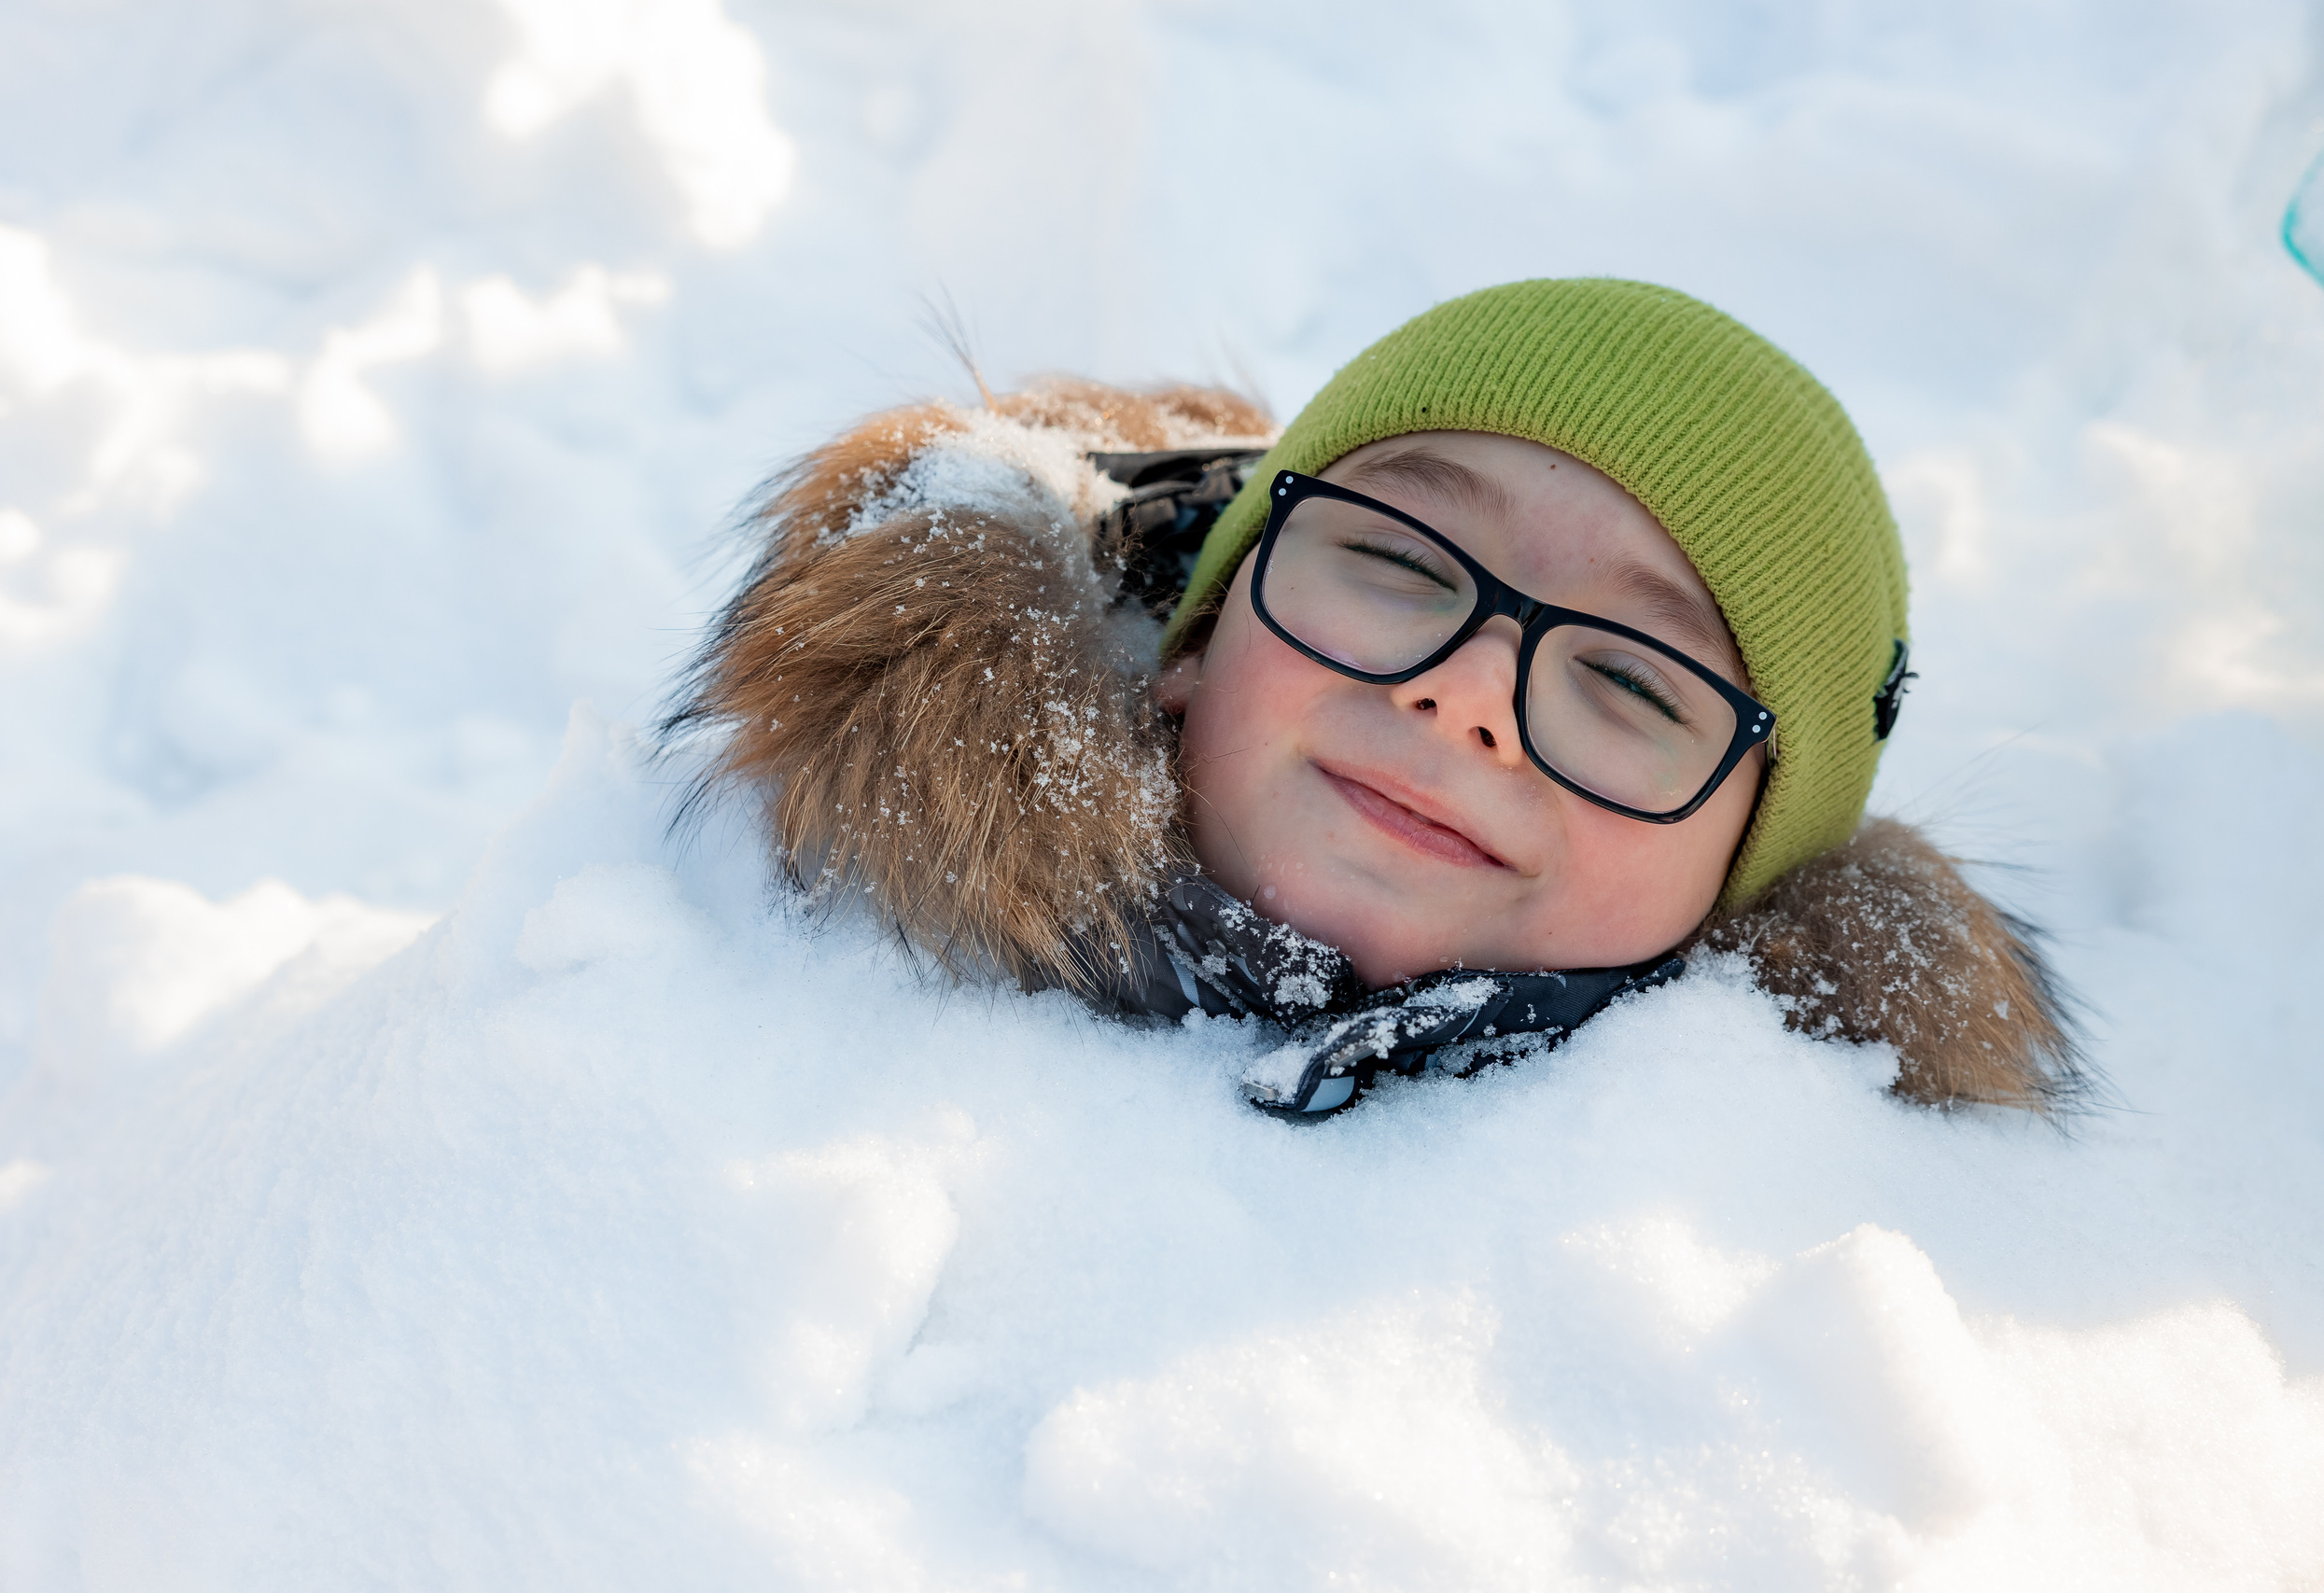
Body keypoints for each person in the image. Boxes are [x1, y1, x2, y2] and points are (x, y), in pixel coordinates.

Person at [665, 280, 2085, 1116]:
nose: (1467, 694)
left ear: (1740, 879)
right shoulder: (708, 961)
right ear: (1199, 639)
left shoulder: (1814, 1309)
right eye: (1401, 561)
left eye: (1631, 682)